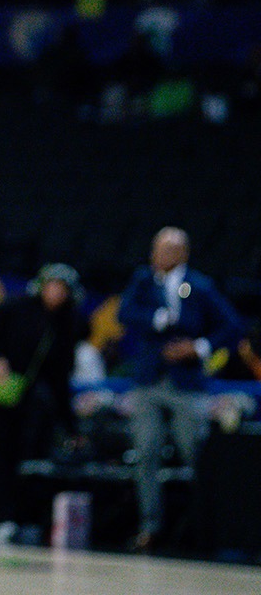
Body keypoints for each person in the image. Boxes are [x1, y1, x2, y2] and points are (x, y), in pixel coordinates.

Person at [118, 225, 244, 550]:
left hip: (187, 383)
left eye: (166, 250)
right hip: (149, 380)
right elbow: (124, 312)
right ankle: (150, 527)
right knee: (145, 452)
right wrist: (157, 318)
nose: (157, 255)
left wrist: (199, 347)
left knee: (196, 455)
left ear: (182, 253)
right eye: (156, 248)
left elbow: (232, 325)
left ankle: (206, 527)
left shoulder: (200, 286)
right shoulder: (143, 280)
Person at [0, 263, 86, 544]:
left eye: (62, 288)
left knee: (18, 458)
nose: (56, 292)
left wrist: (72, 426)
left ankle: (16, 518)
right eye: (52, 285)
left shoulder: (66, 325)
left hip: (25, 401)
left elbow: (60, 379)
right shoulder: (14, 308)